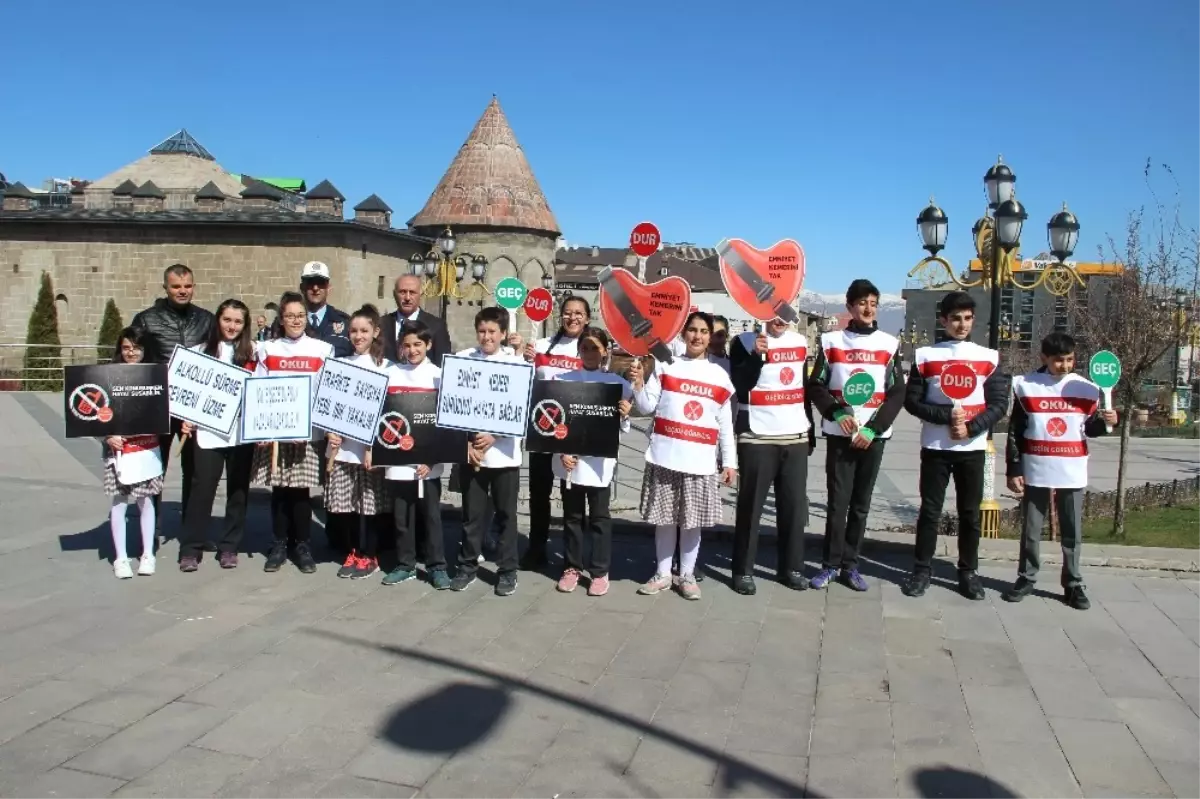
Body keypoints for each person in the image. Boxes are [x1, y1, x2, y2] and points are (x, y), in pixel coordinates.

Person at [901, 292, 1011, 600]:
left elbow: (999, 404)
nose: (962, 324)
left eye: (967, 318)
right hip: (935, 447)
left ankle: (968, 572)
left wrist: (972, 428)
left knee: (969, 513)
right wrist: (947, 416)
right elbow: (913, 402)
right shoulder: (925, 357)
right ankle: (921, 570)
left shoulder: (988, 358)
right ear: (943, 321)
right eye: (955, 318)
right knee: (930, 511)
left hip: (971, 449)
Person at [1002, 332, 1117, 610]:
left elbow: (1088, 428)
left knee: (1072, 530)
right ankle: (1026, 577)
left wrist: (1107, 423)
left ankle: (1074, 583)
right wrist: (1013, 467)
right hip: (1036, 467)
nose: (1064, 366)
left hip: (1071, 468)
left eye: (1069, 359)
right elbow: (1016, 430)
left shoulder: (1087, 389)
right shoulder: (1025, 385)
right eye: (1058, 360)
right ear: (1044, 358)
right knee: (1031, 528)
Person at [629, 311, 738, 601]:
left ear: (710, 337)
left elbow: (725, 425)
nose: (698, 336)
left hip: (700, 461)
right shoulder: (667, 365)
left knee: (692, 522)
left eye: (704, 331)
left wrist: (730, 462)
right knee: (665, 520)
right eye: (692, 330)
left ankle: (686, 574)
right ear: (683, 333)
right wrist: (638, 384)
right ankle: (663, 574)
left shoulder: (719, 376)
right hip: (665, 456)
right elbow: (646, 405)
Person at [806, 279, 905, 592]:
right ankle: (830, 565)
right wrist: (837, 413)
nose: (868, 308)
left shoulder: (889, 344)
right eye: (862, 302)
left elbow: (897, 391)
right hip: (840, 433)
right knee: (838, 504)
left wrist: (874, 428)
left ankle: (851, 565)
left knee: (861, 505)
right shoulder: (831, 341)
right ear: (850, 306)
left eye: (873, 303)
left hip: (873, 436)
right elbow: (817, 385)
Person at [728, 317, 815, 595]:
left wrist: (809, 430)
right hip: (756, 435)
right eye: (775, 314)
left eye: (786, 313)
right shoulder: (742, 342)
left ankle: (791, 567)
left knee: (793, 507)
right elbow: (740, 386)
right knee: (751, 507)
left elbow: (803, 391)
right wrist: (757, 355)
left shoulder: (800, 342)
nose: (781, 320)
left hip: (795, 435)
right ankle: (743, 569)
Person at [251, 291, 335, 574]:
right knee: (278, 490)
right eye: (290, 316)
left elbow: (326, 392)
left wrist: (313, 425)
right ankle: (278, 543)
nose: (296, 320)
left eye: (300, 315)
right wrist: (260, 428)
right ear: (282, 319)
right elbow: (258, 389)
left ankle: (302, 544)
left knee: (300, 492)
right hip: (276, 433)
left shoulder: (322, 350)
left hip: (307, 433)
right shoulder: (268, 349)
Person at [130, 263, 213, 528]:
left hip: (193, 409)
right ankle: (149, 530)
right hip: (159, 407)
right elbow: (132, 360)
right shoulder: (146, 319)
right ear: (165, 287)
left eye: (187, 286)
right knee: (154, 469)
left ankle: (193, 531)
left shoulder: (206, 319)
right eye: (176, 286)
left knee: (196, 471)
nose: (182, 291)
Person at [177, 299, 258, 572]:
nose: (232, 326)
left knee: (238, 491)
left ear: (245, 325)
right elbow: (186, 392)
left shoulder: (254, 354)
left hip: (241, 435)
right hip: (208, 435)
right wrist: (186, 419)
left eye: (238, 321)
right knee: (202, 490)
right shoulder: (199, 351)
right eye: (227, 320)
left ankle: (229, 547)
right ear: (218, 321)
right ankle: (191, 548)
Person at [451, 307, 526, 596]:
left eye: (492, 331)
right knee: (472, 515)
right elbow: (454, 407)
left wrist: (496, 434)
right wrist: (466, 443)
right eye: (482, 331)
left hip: (505, 455)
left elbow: (520, 408)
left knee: (506, 516)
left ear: (504, 334)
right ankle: (467, 566)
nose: (486, 337)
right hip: (473, 453)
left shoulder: (516, 364)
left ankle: (507, 571)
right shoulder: (464, 360)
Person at [553, 326, 633, 597]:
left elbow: (622, 429)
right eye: (584, 348)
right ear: (578, 351)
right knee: (572, 517)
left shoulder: (618, 384)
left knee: (599, 518)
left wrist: (624, 415)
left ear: (604, 352)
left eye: (594, 348)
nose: (589, 353)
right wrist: (562, 450)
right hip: (570, 462)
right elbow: (555, 421)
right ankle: (572, 567)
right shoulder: (562, 380)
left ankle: (599, 571)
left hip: (599, 464)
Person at [519, 295, 591, 570]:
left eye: (578, 313)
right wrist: (524, 359)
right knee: (539, 494)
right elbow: (527, 383)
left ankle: (573, 557)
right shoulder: (541, 345)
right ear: (560, 316)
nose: (573, 318)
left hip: (573, 434)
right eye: (568, 313)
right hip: (543, 431)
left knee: (573, 498)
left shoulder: (590, 348)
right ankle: (536, 549)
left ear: (586, 317)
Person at [325, 307, 394, 580]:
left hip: (368, 450)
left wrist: (373, 447)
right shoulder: (340, 365)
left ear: (375, 332)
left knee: (370, 505)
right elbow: (329, 404)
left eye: (364, 331)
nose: (357, 336)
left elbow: (388, 412)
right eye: (353, 331)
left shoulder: (385, 367)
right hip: (343, 448)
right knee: (348, 506)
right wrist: (330, 432)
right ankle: (354, 550)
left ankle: (371, 553)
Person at [382, 320, 451, 589]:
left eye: (417, 345)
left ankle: (437, 566)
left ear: (429, 345)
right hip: (397, 459)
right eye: (407, 345)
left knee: (431, 516)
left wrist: (432, 458)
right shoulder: (391, 374)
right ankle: (405, 564)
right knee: (402, 516)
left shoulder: (438, 376)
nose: (412, 350)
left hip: (427, 463)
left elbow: (445, 422)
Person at [102, 327, 163, 579]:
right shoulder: (107, 375)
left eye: (136, 348)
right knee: (119, 502)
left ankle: (148, 553)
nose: (131, 352)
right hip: (118, 450)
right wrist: (106, 435)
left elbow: (163, 409)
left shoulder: (155, 375)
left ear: (144, 349)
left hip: (147, 447)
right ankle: (121, 557)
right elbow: (97, 412)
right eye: (126, 347)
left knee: (146, 500)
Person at [380, 274, 453, 367]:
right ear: (394, 294)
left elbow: (443, 364)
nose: (407, 298)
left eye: (412, 292)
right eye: (402, 292)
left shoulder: (436, 326)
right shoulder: (381, 324)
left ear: (420, 294)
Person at [298, 261, 352, 357]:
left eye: (320, 283)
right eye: (310, 282)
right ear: (302, 287)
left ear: (328, 288)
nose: (315, 288)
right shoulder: (287, 323)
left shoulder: (345, 322)